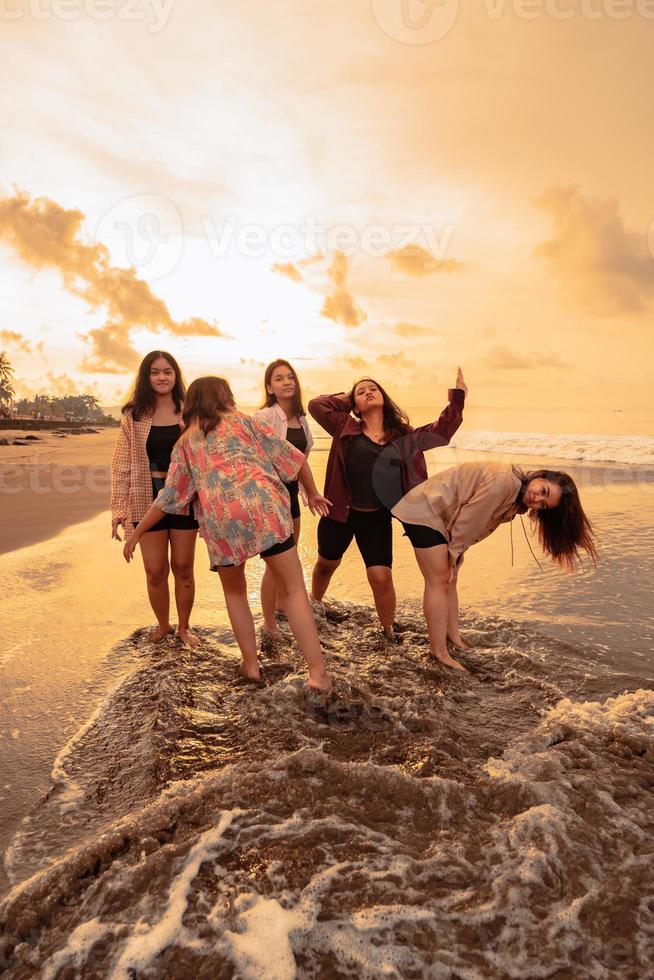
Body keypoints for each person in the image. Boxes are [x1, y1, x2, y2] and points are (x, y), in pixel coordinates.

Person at [122, 377, 332, 691]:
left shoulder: (185, 442)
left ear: (191, 404)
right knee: (293, 590)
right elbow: (294, 458)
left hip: (223, 522)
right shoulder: (246, 423)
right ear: (226, 397)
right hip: (265, 508)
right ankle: (318, 673)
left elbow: (169, 497)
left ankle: (251, 665)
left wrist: (137, 532)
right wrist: (312, 492)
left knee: (235, 593)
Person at [392, 461, 599, 671]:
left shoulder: (517, 496)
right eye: (542, 491)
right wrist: (454, 551)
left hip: (442, 517)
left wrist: (457, 553)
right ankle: (439, 652)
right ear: (540, 475)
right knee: (438, 580)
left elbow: (478, 524)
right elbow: (470, 520)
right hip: (426, 509)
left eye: (543, 505)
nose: (537, 500)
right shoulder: (505, 483)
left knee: (450, 578)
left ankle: (453, 636)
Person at [309, 369, 466, 640]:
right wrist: (349, 397)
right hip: (339, 514)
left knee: (381, 577)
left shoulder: (402, 437)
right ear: (355, 406)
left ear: (384, 397)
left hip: (375, 518)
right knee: (325, 565)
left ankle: (388, 632)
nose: (369, 392)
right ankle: (314, 606)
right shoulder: (344, 426)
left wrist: (458, 399)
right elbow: (316, 405)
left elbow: (441, 433)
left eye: (374, 389)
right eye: (362, 392)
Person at [111, 351, 199, 646]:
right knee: (154, 570)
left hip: (185, 500)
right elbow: (122, 465)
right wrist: (118, 510)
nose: (162, 377)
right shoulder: (133, 416)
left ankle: (184, 628)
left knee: (184, 568)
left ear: (176, 376)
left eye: (167, 371)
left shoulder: (190, 412)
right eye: (155, 372)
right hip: (145, 499)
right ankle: (163, 626)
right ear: (146, 377)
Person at [254, 359, 323, 641]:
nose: (286, 382)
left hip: (291, 493)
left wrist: (309, 492)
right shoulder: (264, 416)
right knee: (275, 561)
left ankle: (283, 605)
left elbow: (301, 459)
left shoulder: (302, 420)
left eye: (290, 377)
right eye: (279, 378)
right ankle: (269, 623)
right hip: (270, 495)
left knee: (290, 554)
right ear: (270, 387)